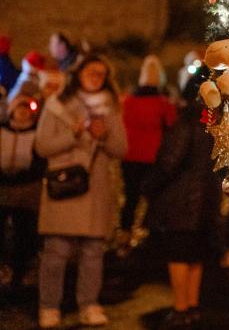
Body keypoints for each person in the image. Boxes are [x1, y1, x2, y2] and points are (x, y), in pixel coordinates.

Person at [35, 54, 127, 328]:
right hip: (63, 187)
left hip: (95, 190)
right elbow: (42, 146)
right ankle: (49, 307)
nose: (96, 77)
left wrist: (104, 134)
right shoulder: (57, 105)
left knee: (92, 253)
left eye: (101, 73)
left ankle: (89, 304)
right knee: (56, 253)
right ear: (79, 74)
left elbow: (120, 149)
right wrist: (73, 133)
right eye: (91, 71)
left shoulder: (110, 108)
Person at [143, 66, 220, 329]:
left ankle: (180, 307)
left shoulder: (185, 122)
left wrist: (148, 186)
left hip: (182, 202)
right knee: (195, 256)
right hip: (206, 200)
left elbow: (169, 162)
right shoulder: (213, 124)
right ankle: (192, 305)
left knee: (178, 256)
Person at [119, 55, 177, 253]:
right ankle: (149, 238)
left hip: (130, 155)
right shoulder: (163, 103)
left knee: (130, 197)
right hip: (152, 156)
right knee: (154, 199)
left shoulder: (128, 101)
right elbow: (171, 126)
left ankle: (125, 235)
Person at [0, 94, 46, 293]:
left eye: (26, 109)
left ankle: (20, 271)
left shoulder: (36, 133)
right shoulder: (2, 131)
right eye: (19, 108)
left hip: (27, 190)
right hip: (2, 187)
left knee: (24, 232)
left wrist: (24, 175)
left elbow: (40, 161)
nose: (22, 112)